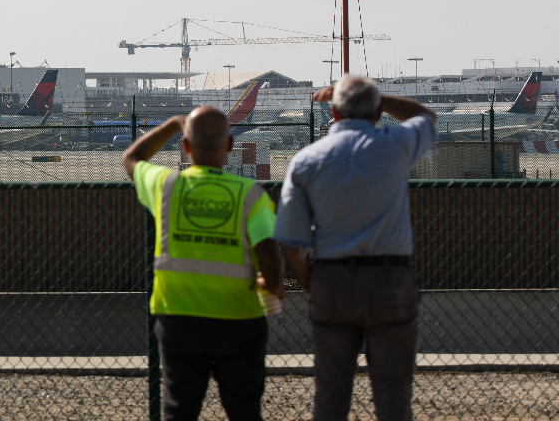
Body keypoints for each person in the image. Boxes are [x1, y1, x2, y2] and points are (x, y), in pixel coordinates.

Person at [274, 75, 436, 421]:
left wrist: (314, 286)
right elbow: (425, 116)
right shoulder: (396, 145)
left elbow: (293, 245)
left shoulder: (305, 161)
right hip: (389, 280)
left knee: (330, 397)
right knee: (394, 397)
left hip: (331, 280)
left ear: (333, 111)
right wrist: (378, 98)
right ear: (377, 112)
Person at [122, 106, 285, 421]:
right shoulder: (250, 195)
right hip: (239, 320)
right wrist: (274, 283)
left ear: (185, 145)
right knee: (245, 410)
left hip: (178, 317)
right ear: (230, 145)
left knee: (180, 409)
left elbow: (132, 158)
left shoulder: (166, 186)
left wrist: (173, 124)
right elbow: (268, 252)